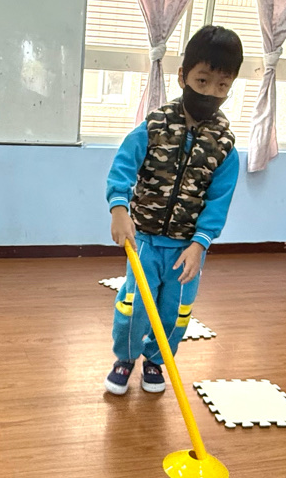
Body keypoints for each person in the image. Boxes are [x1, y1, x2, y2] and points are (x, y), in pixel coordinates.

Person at [104, 25, 243, 395]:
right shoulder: (154, 126)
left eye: (222, 85)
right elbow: (123, 167)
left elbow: (219, 201)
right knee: (134, 305)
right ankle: (125, 358)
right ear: (183, 77)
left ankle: (156, 360)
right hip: (146, 242)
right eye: (202, 80)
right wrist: (119, 208)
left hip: (187, 249)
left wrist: (200, 244)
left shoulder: (224, 146)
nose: (210, 92)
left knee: (175, 312)